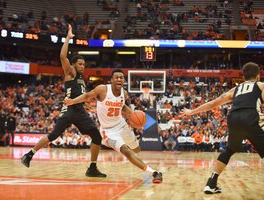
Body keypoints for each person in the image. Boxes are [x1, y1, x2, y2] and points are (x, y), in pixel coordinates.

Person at [21, 24, 106, 178]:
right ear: (73, 65)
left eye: (83, 65)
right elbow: (62, 57)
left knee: (91, 137)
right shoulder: (71, 72)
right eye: (80, 63)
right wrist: (68, 38)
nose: (82, 66)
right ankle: (29, 154)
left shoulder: (80, 79)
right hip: (72, 111)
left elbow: (79, 96)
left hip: (76, 110)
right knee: (58, 136)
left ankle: (92, 168)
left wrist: (88, 106)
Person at [65, 69, 163, 183]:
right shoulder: (102, 89)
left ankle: (136, 160)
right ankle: (154, 173)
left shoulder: (124, 93)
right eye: (116, 77)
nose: (119, 79)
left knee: (136, 149)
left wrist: (133, 114)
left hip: (122, 125)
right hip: (108, 131)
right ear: (111, 80)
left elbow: (122, 106)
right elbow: (87, 95)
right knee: (126, 151)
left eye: (121, 77)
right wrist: (73, 101)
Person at [182, 62, 264, 194]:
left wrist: (192, 112)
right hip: (250, 118)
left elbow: (213, 103)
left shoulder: (235, 90)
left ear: (243, 77)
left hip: (233, 119)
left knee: (229, 149)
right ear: (258, 76)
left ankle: (211, 183)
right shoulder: (260, 86)